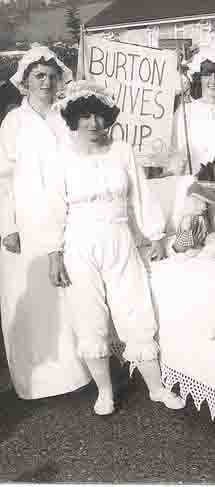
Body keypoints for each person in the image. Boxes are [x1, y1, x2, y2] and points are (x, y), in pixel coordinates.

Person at [43, 81, 186, 415]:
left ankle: (156, 387)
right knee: (88, 314)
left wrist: (155, 235)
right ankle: (105, 391)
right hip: (79, 242)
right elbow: (52, 209)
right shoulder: (61, 157)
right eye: (85, 116)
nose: (93, 123)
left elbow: (141, 196)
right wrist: (54, 253)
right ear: (73, 119)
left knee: (135, 307)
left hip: (119, 237)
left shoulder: (122, 151)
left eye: (99, 116)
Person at [0, 45, 91, 399]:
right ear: (25, 81)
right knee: (31, 297)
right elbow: (2, 178)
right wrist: (7, 225)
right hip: (24, 222)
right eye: (38, 76)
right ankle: (35, 379)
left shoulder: (65, 118)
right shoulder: (13, 122)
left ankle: (77, 374)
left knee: (67, 293)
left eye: (51, 77)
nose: (45, 82)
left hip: (63, 218)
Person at [170, 47, 215, 176]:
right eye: (207, 75)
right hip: (195, 187)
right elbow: (175, 155)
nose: (213, 81)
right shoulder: (185, 112)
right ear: (199, 77)